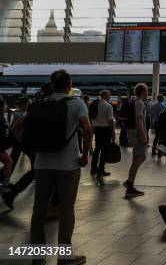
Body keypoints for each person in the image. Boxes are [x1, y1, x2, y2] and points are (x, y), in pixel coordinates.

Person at [30, 70, 92, 265]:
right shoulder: (77, 104)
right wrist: (85, 154)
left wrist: (33, 152)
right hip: (68, 165)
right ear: (69, 85)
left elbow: (18, 128)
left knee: (39, 210)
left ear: (51, 84)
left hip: (42, 164)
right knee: (67, 210)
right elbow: (88, 129)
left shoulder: (39, 104)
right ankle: (65, 257)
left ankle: (37, 256)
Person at [123, 83, 149, 197]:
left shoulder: (134, 102)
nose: (147, 93)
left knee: (140, 157)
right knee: (138, 158)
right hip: (138, 134)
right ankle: (130, 186)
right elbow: (139, 121)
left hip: (133, 133)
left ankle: (129, 181)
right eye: (147, 91)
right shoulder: (140, 103)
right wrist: (144, 137)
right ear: (142, 92)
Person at [90, 90, 115, 184]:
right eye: (109, 94)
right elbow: (110, 120)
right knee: (104, 151)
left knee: (97, 149)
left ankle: (93, 169)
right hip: (105, 130)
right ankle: (100, 170)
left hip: (97, 129)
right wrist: (113, 132)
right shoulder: (108, 106)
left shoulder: (95, 105)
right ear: (105, 95)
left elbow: (91, 118)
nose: (110, 96)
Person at [9, 97, 29, 174]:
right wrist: (20, 140)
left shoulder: (22, 114)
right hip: (17, 141)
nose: (30, 105)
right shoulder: (19, 114)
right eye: (28, 103)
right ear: (23, 105)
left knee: (13, 159)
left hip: (18, 141)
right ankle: (4, 176)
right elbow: (14, 129)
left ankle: (4, 175)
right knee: (13, 159)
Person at [0, 99, 13, 189]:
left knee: (8, 162)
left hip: (1, 146)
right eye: (5, 105)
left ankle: (5, 182)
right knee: (9, 162)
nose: (6, 106)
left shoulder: (2, 117)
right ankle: (6, 184)